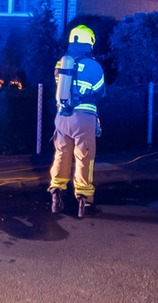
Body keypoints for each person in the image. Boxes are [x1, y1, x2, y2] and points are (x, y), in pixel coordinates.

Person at [49, 25, 106, 218]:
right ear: (89, 42)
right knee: (84, 158)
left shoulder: (61, 63)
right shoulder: (94, 66)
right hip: (84, 118)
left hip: (62, 117)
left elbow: (60, 87)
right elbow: (100, 92)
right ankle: (84, 200)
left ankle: (56, 195)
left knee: (61, 155)